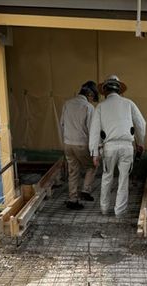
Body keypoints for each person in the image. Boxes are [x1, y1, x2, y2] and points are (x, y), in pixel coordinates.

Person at [89, 75, 146, 217]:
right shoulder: (129, 104)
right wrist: (140, 142)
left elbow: (94, 130)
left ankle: (104, 209)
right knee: (123, 179)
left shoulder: (100, 107)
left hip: (109, 147)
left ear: (105, 91)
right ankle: (119, 211)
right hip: (127, 147)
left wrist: (94, 153)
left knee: (107, 177)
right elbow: (141, 124)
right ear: (119, 90)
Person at [60, 81, 98, 210]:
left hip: (68, 143)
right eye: (92, 97)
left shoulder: (67, 104)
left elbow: (62, 124)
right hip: (82, 144)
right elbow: (92, 130)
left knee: (73, 171)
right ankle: (85, 191)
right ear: (89, 94)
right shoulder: (88, 107)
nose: (92, 100)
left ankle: (73, 199)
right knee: (92, 166)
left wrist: (67, 138)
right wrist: (95, 149)